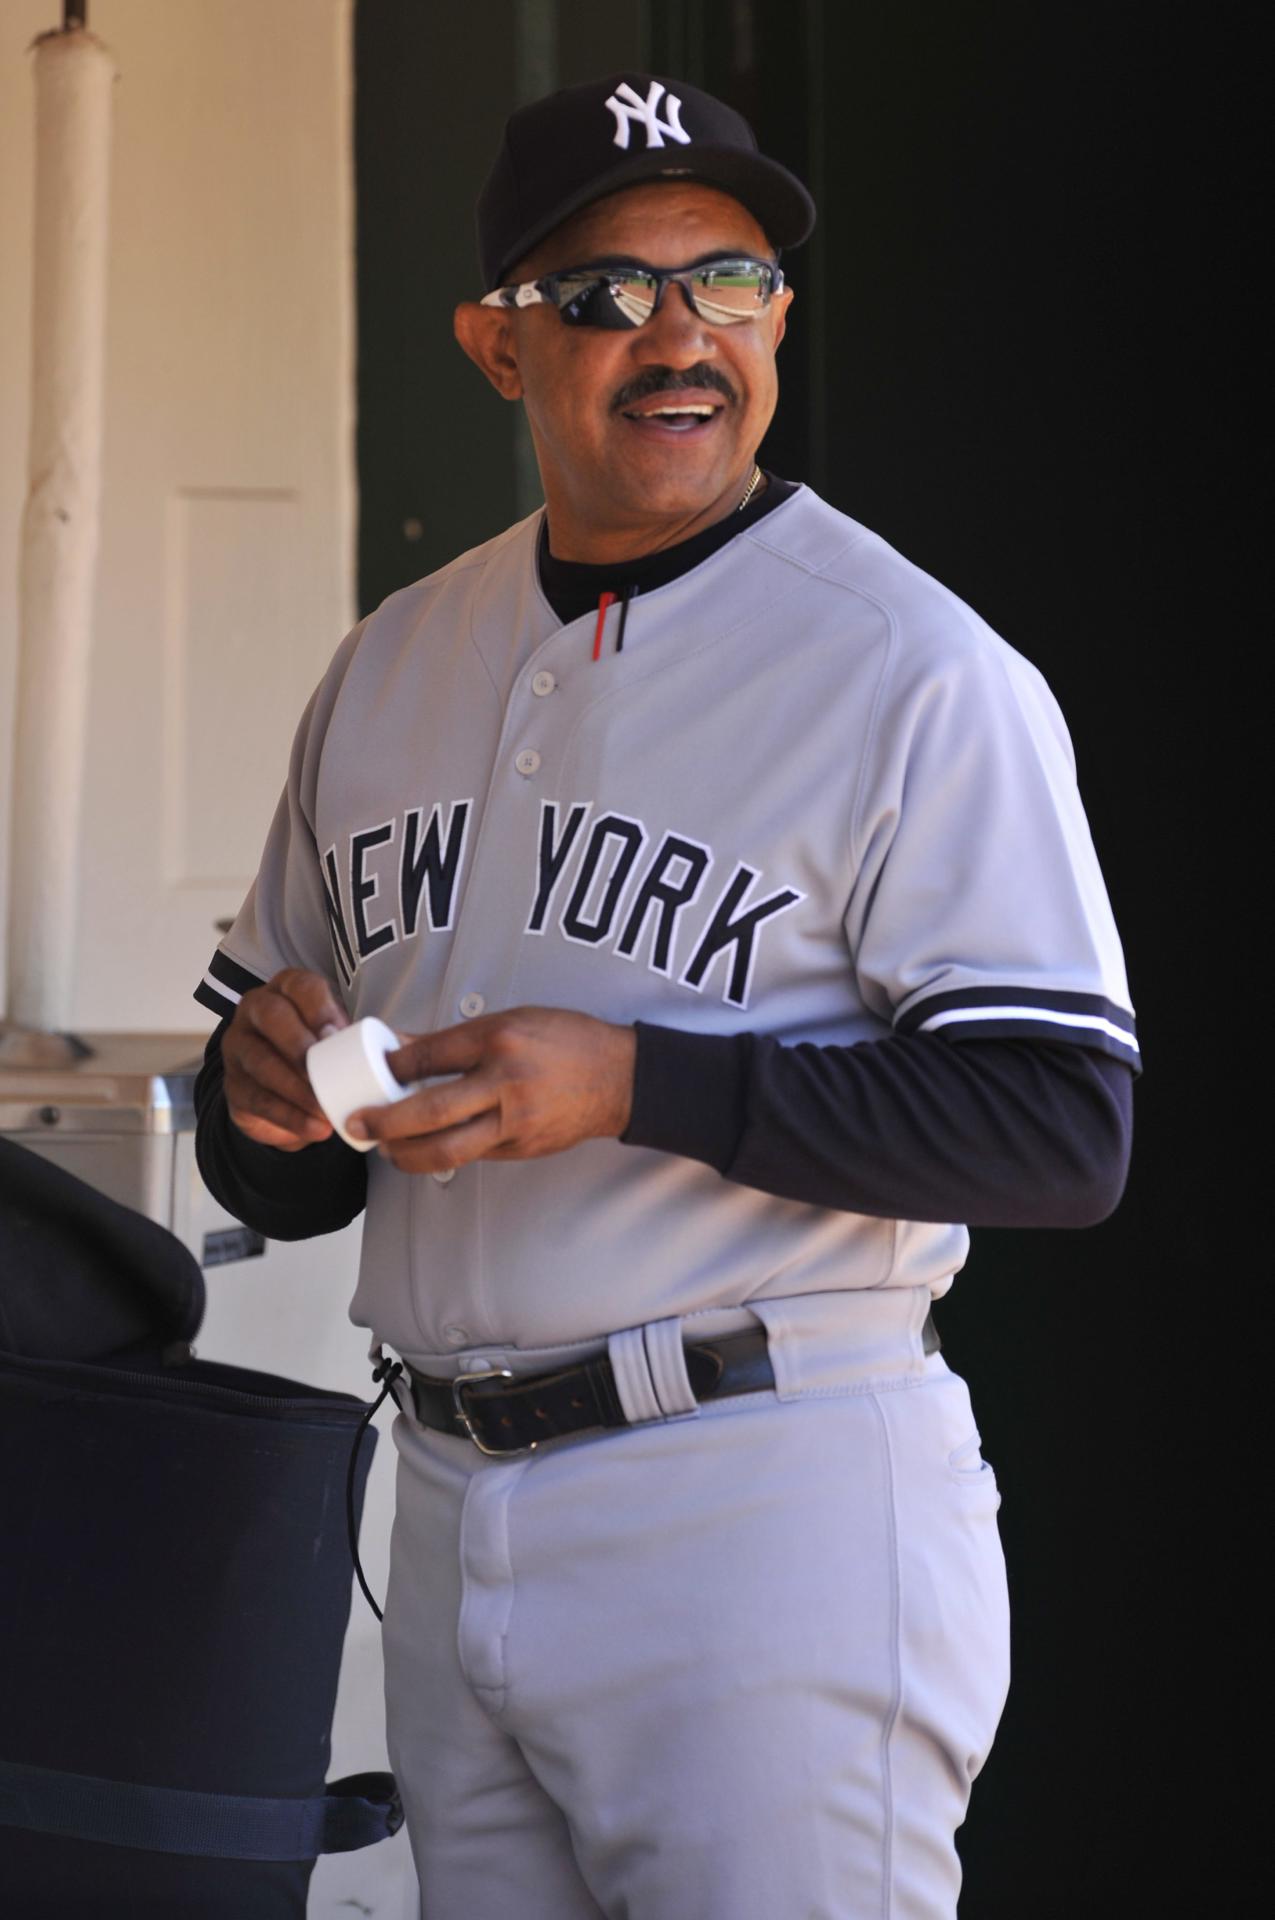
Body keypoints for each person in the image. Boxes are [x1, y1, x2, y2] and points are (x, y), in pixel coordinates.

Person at [193, 72, 1138, 1920]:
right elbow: (283, 1173)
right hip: (453, 1493)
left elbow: (1060, 1121)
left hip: (764, 1492)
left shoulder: (913, 669)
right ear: (494, 345)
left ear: (781, 318)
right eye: (608, 294)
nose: (679, 336)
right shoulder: (389, 665)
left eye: (729, 278)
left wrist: (635, 1081)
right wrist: (264, 1094)